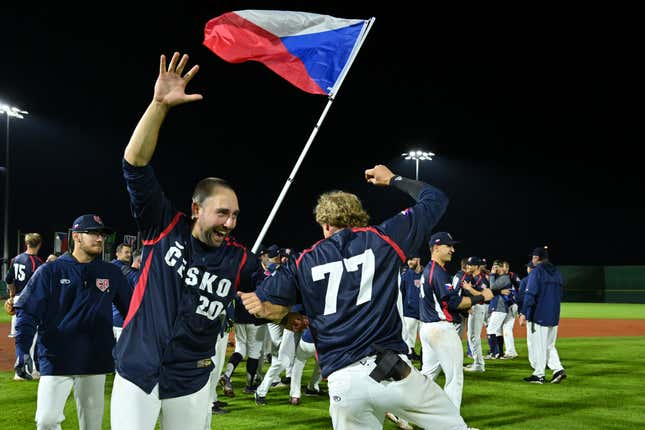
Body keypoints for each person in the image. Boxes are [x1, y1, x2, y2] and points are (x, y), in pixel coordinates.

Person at [239, 165, 477, 430]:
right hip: (392, 369)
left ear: (325, 223)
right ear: (359, 218)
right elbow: (435, 198)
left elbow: (264, 307)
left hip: (344, 382)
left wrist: (286, 317)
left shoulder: (304, 261)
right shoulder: (384, 238)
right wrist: (393, 179)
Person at [111, 52, 251, 430]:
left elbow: (274, 294)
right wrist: (158, 106)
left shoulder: (239, 260)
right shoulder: (163, 225)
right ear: (196, 209)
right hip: (138, 370)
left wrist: (285, 311)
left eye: (235, 215)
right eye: (222, 213)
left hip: (191, 379)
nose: (230, 222)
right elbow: (134, 163)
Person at [14, 214, 131, 429]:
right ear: (76, 236)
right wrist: (22, 350)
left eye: (102, 234)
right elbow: (27, 314)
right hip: (56, 358)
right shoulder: (50, 271)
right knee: (46, 421)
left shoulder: (111, 272)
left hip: (95, 360)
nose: (100, 239)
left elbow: (133, 312)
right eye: (93, 233)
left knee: (91, 426)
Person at [419, 233, 494, 410]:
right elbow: (454, 302)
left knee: (427, 376)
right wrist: (481, 297)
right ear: (436, 248)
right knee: (455, 378)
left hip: (428, 328)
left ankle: (402, 413)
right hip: (441, 329)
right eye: (448, 246)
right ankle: (453, 424)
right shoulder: (437, 272)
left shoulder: (429, 270)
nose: (452, 249)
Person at [519, 246, 567, 384]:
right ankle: (558, 369)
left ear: (536, 258)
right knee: (549, 345)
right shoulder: (557, 272)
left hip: (538, 314)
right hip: (554, 314)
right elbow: (560, 294)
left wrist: (523, 312)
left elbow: (530, 294)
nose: (532, 260)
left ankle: (539, 375)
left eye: (533, 257)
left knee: (538, 345)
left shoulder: (536, 272)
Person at [112, 248, 142, 341]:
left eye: (130, 252)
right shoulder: (136, 276)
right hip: (124, 321)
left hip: (114, 318)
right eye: (126, 252)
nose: (128, 255)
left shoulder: (119, 271)